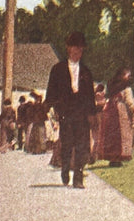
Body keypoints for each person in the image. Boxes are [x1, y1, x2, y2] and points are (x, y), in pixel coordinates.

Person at [45, 31, 95, 188]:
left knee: (81, 145)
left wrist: (91, 114)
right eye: (75, 49)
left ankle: (78, 178)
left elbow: (90, 95)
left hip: (81, 112)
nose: (77, 52)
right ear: (68, 48)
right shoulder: (57, 69)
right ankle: (65, 169)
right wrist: (52, 107)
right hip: (66, 111)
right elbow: (51, 91)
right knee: (67, 144)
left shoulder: (86, 72)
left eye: (80, 50)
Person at [98, 68, 134, 167]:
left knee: (111, 134)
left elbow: (107, 96)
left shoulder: (111, 86)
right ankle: (118, 158)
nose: (129, 77)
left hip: (109, 111)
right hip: (120, 112)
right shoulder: (126, 88)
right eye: (127, 75)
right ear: (121, 76)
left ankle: (112, 158)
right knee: (120, 134)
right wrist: (133, 109)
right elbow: (129, 101)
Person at [90, 83, 106, 163]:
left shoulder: (91, 96)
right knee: (98, 136)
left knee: (93, 136)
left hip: (92, 115)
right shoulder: (101, 95)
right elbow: (103, 103)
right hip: (99, 115)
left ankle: (93, 154)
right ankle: (94, 154)